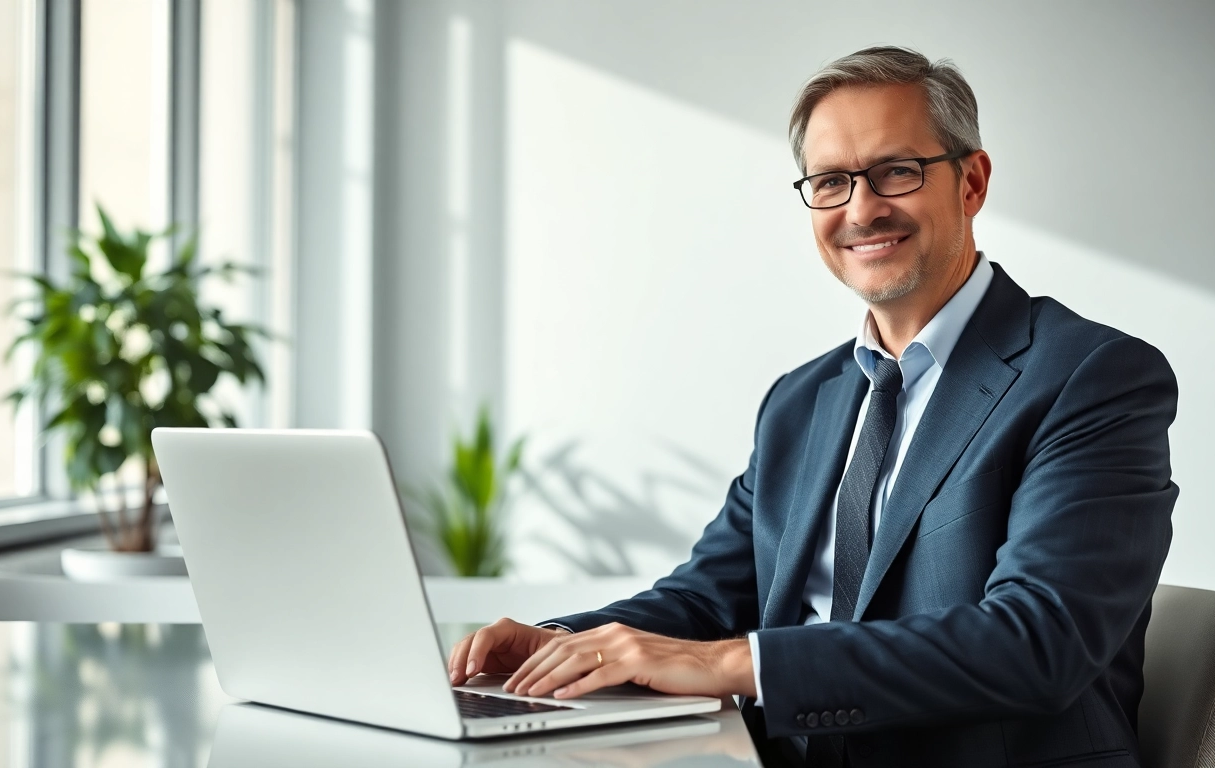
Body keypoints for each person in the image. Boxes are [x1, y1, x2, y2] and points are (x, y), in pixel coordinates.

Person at [447, 46, 1177, 768]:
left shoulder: (1092, 375)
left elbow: (1036, 643)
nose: (862, 209)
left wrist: (742, 664)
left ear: (972, 182)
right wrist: (557, 644)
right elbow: (708, 599)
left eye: (897, 171)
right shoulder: (802, 400)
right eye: (831, 182)